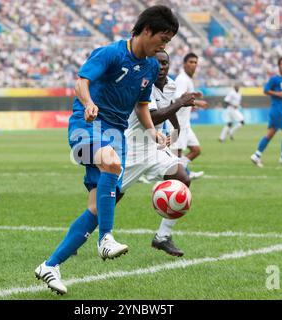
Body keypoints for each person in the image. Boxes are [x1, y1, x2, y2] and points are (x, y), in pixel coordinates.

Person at [34, 5, 179, 295]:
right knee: (112, 166)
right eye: (162, 39)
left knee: (96, 208)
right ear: (146, 30)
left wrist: (154, 134)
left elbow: (141, 106)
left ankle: (50, 265)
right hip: (85, 127)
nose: (164, 47)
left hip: (116, 135)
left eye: (168, 42)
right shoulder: (110, 53)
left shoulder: (150, 67)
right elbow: (81, 82)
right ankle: (106, 240)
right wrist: (88, 103)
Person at [119, 50, 202, 257]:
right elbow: (153, 116)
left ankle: (162, 237)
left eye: (165, 63)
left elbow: (169, 111)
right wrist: (180, 103)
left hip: (155, 149)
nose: (162, 67)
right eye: (158, 63)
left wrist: (174, 132)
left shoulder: (171, 85)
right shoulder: (144, 83)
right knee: (110, 198)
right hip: (134, 149)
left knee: (183, 177)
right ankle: (80, 235)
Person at [250, 57, 282, 168]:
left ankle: (256, 155)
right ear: (279, 66)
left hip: (280, 109)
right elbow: (265, 90)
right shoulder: (274, 79)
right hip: (277, 110)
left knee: (270, 135)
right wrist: (277, 94)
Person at [170, 53, 208, 179]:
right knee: (177, 153)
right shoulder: (182, 79)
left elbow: (184, 97)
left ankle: (184, 171)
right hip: (178, 123)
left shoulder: (188, 79)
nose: (193, 65)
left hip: (186, 123)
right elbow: (177, 99)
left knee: (196, 150)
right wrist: (197, 102)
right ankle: (174, 177)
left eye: (195, 62)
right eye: (191, 62)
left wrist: (193, 95)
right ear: (184, 64)